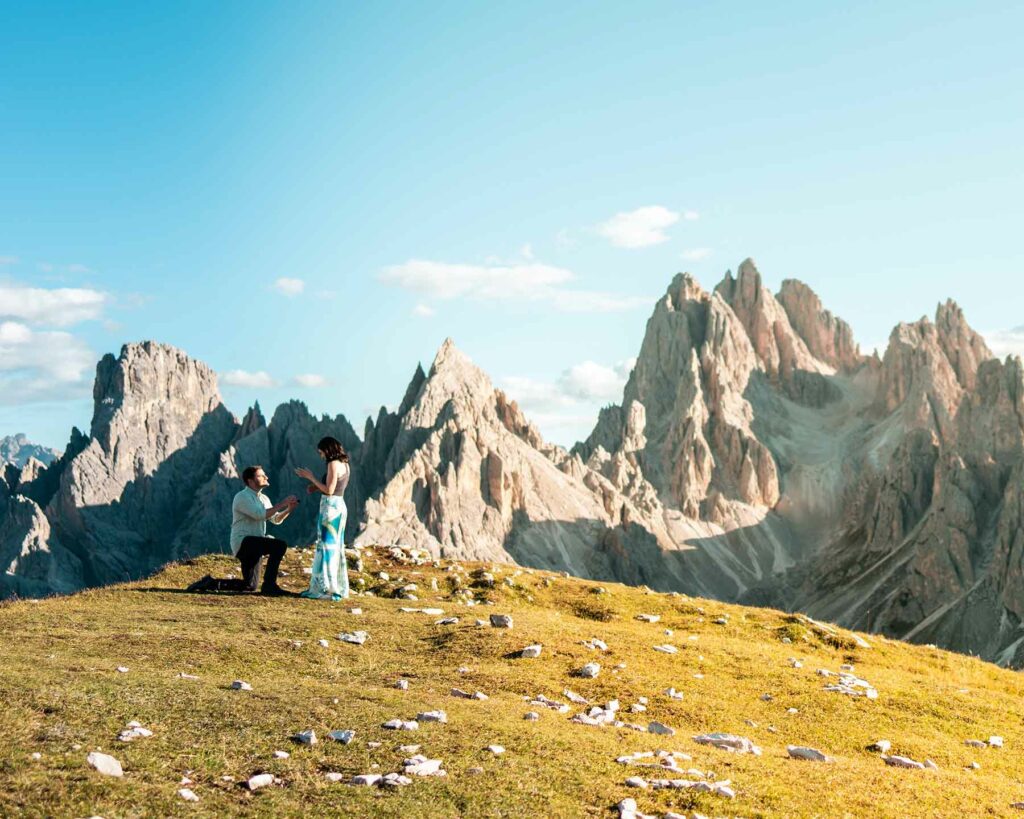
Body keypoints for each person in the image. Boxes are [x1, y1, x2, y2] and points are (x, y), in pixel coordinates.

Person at [187, 464, 298, 595]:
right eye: (261, 475)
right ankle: (270, 586)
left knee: (250, 586)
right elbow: (259, 514)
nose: (266, 477)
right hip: (244, 542)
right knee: (279, 546)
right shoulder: (242, 497)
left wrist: (289, 509)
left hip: (255, 544)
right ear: (250, 481)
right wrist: (282, 503)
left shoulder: (263, 498)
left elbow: (275, 519)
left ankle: (210, 583)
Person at [294, 436, 351, 600]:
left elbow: (330, 490)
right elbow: (336, 487)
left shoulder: (333, 464)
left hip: (330, 508)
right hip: (339, 507)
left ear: (328, 450)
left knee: (326, 547)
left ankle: (326, 587)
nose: (321, 456)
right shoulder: (345, 464)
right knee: (335, 547)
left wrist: (310, 477)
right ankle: (336, 585)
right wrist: (315, 486)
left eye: (321, 452)